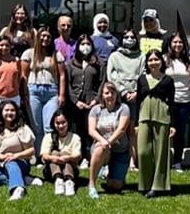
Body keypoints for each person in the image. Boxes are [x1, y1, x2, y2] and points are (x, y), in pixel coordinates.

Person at [130, 50, 174, 198]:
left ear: (161, 61)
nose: (153, 62)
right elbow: (138, 101)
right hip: (144, 116)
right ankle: (145, 184)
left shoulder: (168, 80)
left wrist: (172, 124)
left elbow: (172, 102)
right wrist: (136, 122)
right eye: (150, 60)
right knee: (143, 152)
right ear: (147, 63)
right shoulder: (142, 79)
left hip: (162, 116)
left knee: (161, 153)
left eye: (156, 59)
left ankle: (159, 186)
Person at [21, 25, 66, 154]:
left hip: (51, 91)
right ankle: (37, 154)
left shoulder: (56, 55)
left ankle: (47, 153)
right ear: (38, 38)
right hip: (33, 91)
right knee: (36, 126)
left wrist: (61, 95)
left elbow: (62, 75)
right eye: (43, 36)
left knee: (49, 126)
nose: (45, 39)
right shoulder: (29, 54)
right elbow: (23, 75)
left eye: (48, 37)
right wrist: (24, 94)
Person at [0, 102, 39, 201]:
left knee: (10, 162)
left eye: (12, 110)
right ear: (1, 112)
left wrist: (16, 155)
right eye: (7, 110)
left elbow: (31, 150)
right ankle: (23, 179)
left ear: (17, 113)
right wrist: (0, 156)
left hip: (19, 162)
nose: (10, 113)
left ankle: (18, 188)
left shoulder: (22, 128)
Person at [87, 82, 130, 199]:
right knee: (101, 149)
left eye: (112, 92)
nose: (110, 95)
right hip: (102, 148)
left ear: (117, 95)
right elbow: (91, 130)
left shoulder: (124, 108)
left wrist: (109, 141)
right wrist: (104, 141)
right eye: (107, 93)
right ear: (102, 95)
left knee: (116, 186)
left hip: (120, 150)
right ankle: (91, 184)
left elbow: (121, 129)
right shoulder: (96, 110)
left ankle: (105, 172)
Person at [106, 29, 142, 169]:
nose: (129, 39)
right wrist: (124, 91)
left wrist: (136, 92)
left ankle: (133, 161)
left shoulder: (141, 57)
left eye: (132, 37)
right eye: (126, 37)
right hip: (119, 97)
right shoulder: (115, 56)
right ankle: (112, 160)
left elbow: (143, 74)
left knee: (132, 130)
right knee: (116, 128)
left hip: (135, 97)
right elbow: (112, 75)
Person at [66, 34, 101, 169]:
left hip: (91, 101)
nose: (85, 47)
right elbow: (67, 85)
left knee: (90, 130)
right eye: (82, 44)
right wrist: (75, 101)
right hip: (76, 103)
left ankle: (89, 156)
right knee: (77, 130)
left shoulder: (97, 63)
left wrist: (96, 100)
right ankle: (78, 156)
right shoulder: (71, 64)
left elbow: (102, 82)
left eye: (88, 44)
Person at [164, 33, 190, 173]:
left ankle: (177, 161)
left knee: (180, 133)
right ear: (170, 44)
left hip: (185, 101)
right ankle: (163, 160)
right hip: (168, 101)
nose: (177, 45)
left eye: (180, 42)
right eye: (175, 42)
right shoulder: (165, 60)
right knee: (165, 132)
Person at [40, 110, 81, 196]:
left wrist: (67, 158)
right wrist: (54, 158)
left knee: (65, 153)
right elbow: (44, 155)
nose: (61, 126)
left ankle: (69, 182)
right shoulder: (48, 137)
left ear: (68, 122)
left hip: (70, 168)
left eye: (63, 123)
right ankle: (58, 180)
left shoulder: (75, 137)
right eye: (57, 123)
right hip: (51, 169)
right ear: (53, 124)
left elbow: (77, 156)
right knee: (54, 152)